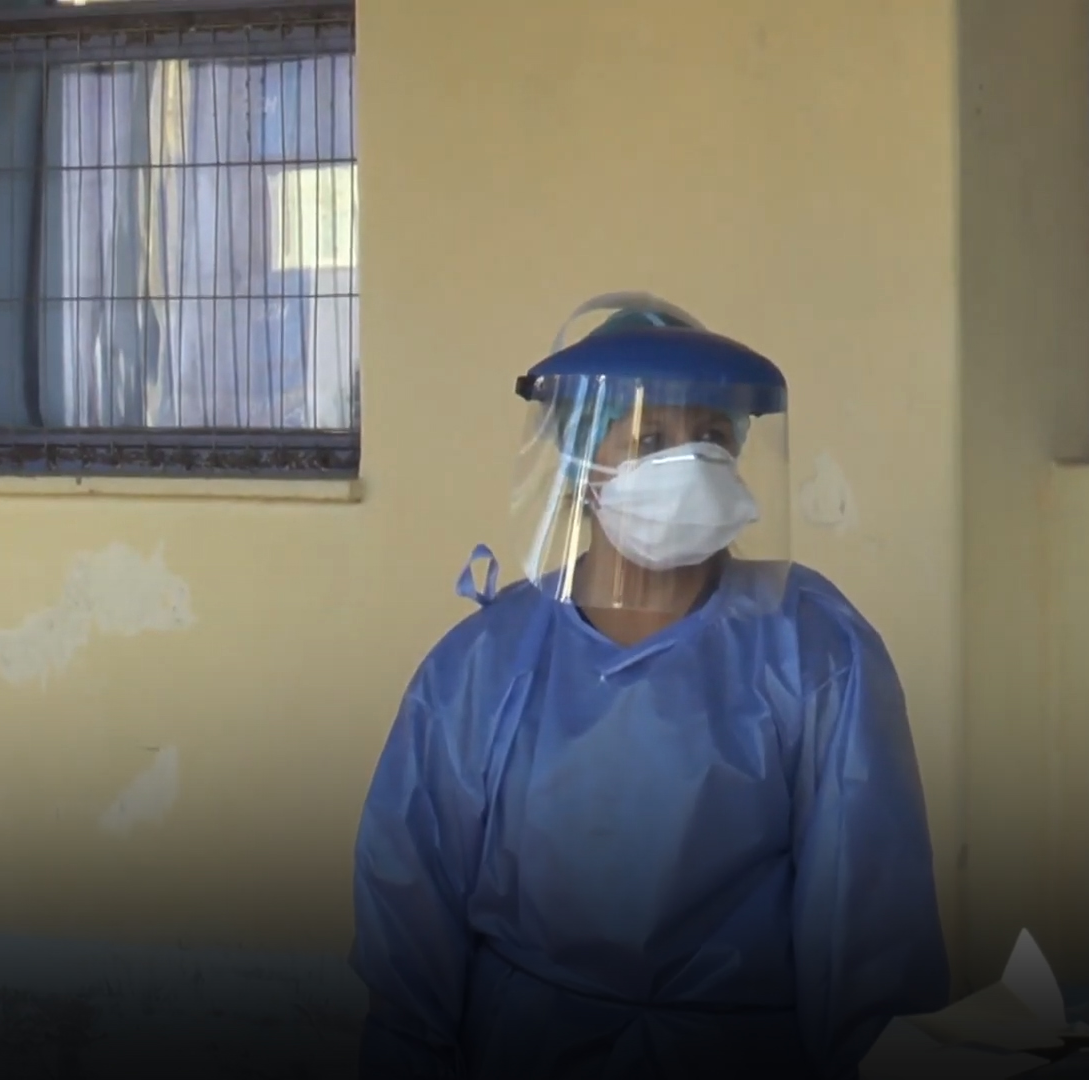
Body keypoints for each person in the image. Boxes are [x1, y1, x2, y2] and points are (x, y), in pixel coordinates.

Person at [349, 294, 949, 1080]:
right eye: (651, 440)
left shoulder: (812, 648)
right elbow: (410, 931)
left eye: (711, 437)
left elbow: (869, 933)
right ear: (580, 465)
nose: (688, 464)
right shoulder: (483, 668)